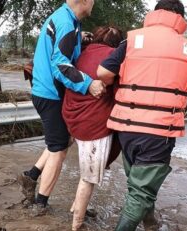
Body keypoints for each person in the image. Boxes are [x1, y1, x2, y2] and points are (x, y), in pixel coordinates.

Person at [97, 0, 187, 230]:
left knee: (139, 185)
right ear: (179, 18)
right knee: (140, 191)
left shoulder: (131, 40)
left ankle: (151, 223)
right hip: (159, 130)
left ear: (155, 14)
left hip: (127, 128)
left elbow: (102, 72)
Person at [17, 0, 105, 215]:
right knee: (58, 150)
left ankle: (31, 176)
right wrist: (88, 83)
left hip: (44, 91)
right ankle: (40, 204)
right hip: (51, 95)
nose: (94, 3)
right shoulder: (66, 23)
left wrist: (80, 39)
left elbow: (61, 48)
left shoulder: (66, 19)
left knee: (61, 140)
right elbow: (60, 65)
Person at [61, 26, 124, 231]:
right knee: (88, 177)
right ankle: (77, 224)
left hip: (72, 118)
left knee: (87, 170)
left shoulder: (82, 53)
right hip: (93, 124)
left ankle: (76, 207)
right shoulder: (113, 57)